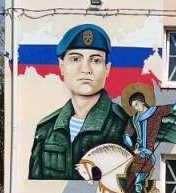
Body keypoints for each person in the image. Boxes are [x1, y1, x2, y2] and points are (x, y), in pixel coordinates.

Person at [29, 24, 125, 180]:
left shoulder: (123, 126)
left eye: (95, 60)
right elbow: (35, 186)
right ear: (61, 67)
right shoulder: (46, 129)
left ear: (107, 69)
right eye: (75, 58)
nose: (85, 69)